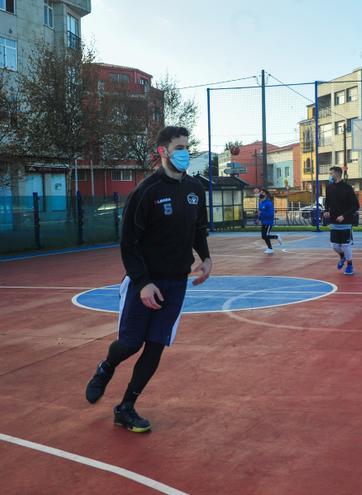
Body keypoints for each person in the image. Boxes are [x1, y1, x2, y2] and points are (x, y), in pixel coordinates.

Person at [84, 125, 212, 433]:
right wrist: (142, 283)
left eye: (187, 147)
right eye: (179, 148)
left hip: (175, 282)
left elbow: (198, 229)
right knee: (130, 344)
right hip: (144, 282)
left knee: (155, 347)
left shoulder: (195, 189)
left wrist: (206, 258)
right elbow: (129, 243)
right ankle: (106, 367)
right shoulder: (146, 191)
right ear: (162, 151)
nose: (185, 153)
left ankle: (126, 407)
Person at [322, 166, 359, 275]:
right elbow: (327, 201)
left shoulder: (347, 188)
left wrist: (344, 216)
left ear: (337, 174)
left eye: (331, 173)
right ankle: (342, 256)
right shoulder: (329, 188)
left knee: (346, 245)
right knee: (334, 246)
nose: (330, 175)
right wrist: (326, 211)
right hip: (334, 222)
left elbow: (356, 206)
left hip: (346, 222)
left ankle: (350, 265)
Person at [257, 188, 281, 254]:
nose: (261, 194)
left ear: (266, 195)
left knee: (266, 235)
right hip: (263, 222)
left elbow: (270, 214)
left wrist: (261, 213)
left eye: (262, 193)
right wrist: (259, 219)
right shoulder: (260, 203)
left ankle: (274, 241)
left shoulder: (268, 203)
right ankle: (270, 248)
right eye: (260, 192)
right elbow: (260, 212)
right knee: (263, 236)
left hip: (268, 222)